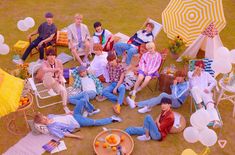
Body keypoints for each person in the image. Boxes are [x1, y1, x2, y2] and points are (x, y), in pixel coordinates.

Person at [33, 101, 122, 139]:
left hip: (74, 115)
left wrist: (67, 113)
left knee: (82, 101)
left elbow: (60, 116)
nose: (45, 117)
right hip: (77, 121)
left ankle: (91, 110)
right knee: (95, 122)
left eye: (43, 116)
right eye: (43, 118)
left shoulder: (50, 116)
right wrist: (77, 136)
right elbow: (64, 134)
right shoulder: (52, 129)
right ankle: (112, 119)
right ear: (42, 122)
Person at [188, 60, 221, 127]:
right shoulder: (190, 73)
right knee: (194, 89)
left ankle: (215, 121)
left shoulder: (206, 74)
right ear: (194, 66)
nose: (198, 68)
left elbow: (214, 81)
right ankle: (200, 107)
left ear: (202, 68)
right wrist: (195, 72)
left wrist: (209, 88)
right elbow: (191, 76)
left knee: (210, 105)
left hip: (205, 93)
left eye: (200, 67)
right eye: (197, 66)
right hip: (197, 93)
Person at [38, 49, 71, 114]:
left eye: (53, 55)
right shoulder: (44, 63)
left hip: (55, 82)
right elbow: (45, 69)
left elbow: (61, 71)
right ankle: (49, 90)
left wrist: (59, 77)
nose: (51, 57)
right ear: (47, 56)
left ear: (55, 56)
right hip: (47, 82)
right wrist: (55, 69)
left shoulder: (58, 62)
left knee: (63, 90)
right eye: (49, 55)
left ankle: (65, 107)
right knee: (48, 73)